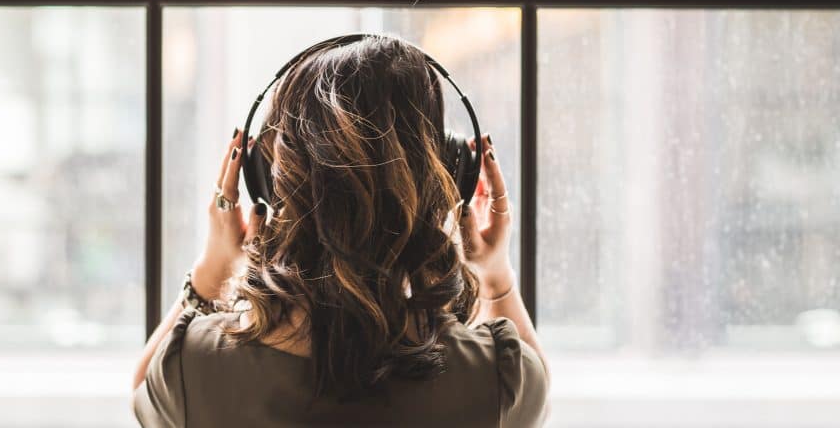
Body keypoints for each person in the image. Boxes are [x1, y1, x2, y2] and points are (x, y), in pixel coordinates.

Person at [132, 34, 550, 427]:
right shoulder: (498, 376)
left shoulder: (191, 367)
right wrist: (496, 276)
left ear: (263, 179)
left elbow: (145, 397)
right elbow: (535, 404)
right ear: (449, 174)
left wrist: (213, 270)